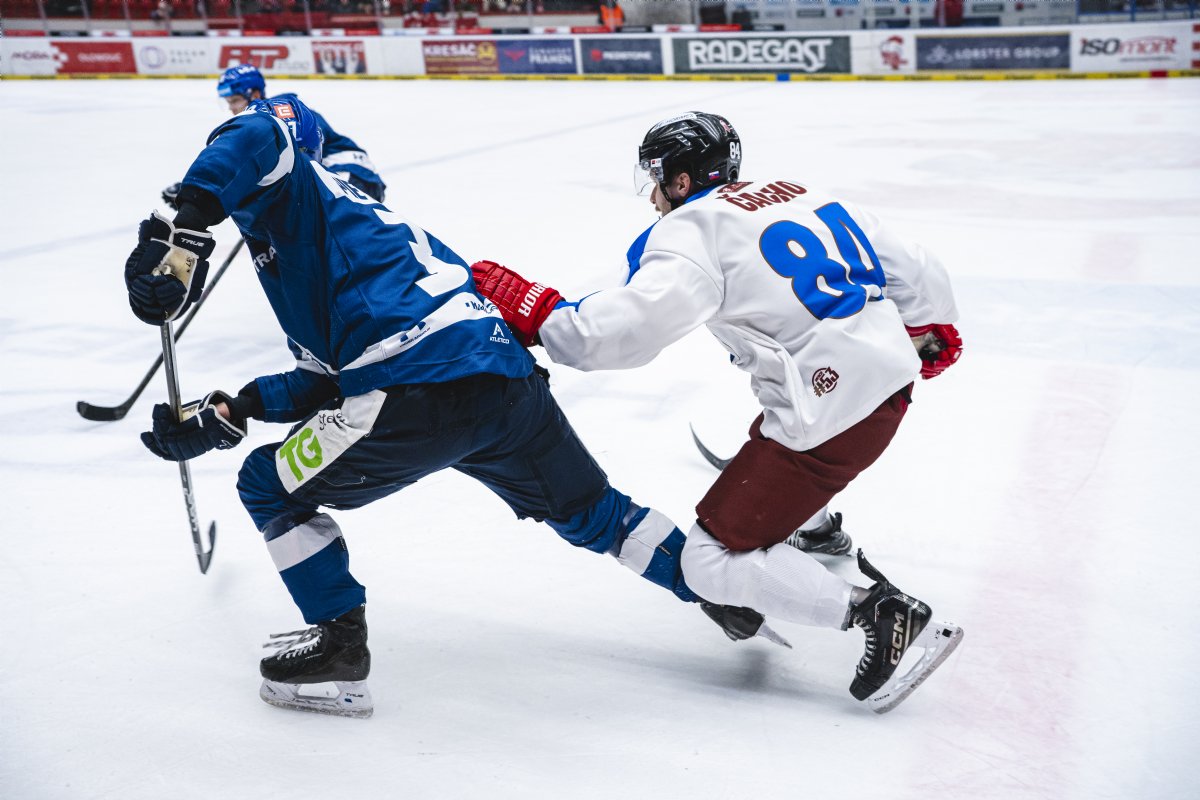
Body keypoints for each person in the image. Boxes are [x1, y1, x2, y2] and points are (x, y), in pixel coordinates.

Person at [123, 97, 784, 719]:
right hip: (503, 382)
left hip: (412, 391)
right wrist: (234, 409)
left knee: (266, 484)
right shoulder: (352, 233)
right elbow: (322, 382)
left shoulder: (299, 187)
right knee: (594, 511)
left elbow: (263, 127)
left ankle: (338, 651)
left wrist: (181, 227)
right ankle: (716, 590)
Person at [470, 111, 966, 713]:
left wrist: (541, 312)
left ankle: (879, 612)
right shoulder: (800, 193)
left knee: (708, 562)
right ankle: (814, 529)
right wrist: (930, 326)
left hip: (833, 415)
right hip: (888, 382)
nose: (652, 196)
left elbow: (619, 335)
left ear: (681, 181)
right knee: (773, 432)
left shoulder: (690, 230)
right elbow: (914, 267)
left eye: (657, 180)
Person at [162, 64, 386, 209]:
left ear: (255, 94)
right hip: (337, 176)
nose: (231, 109)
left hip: (352, 173)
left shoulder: (285, 113)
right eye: (228, 103)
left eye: (235, 101)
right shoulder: (258, 125)